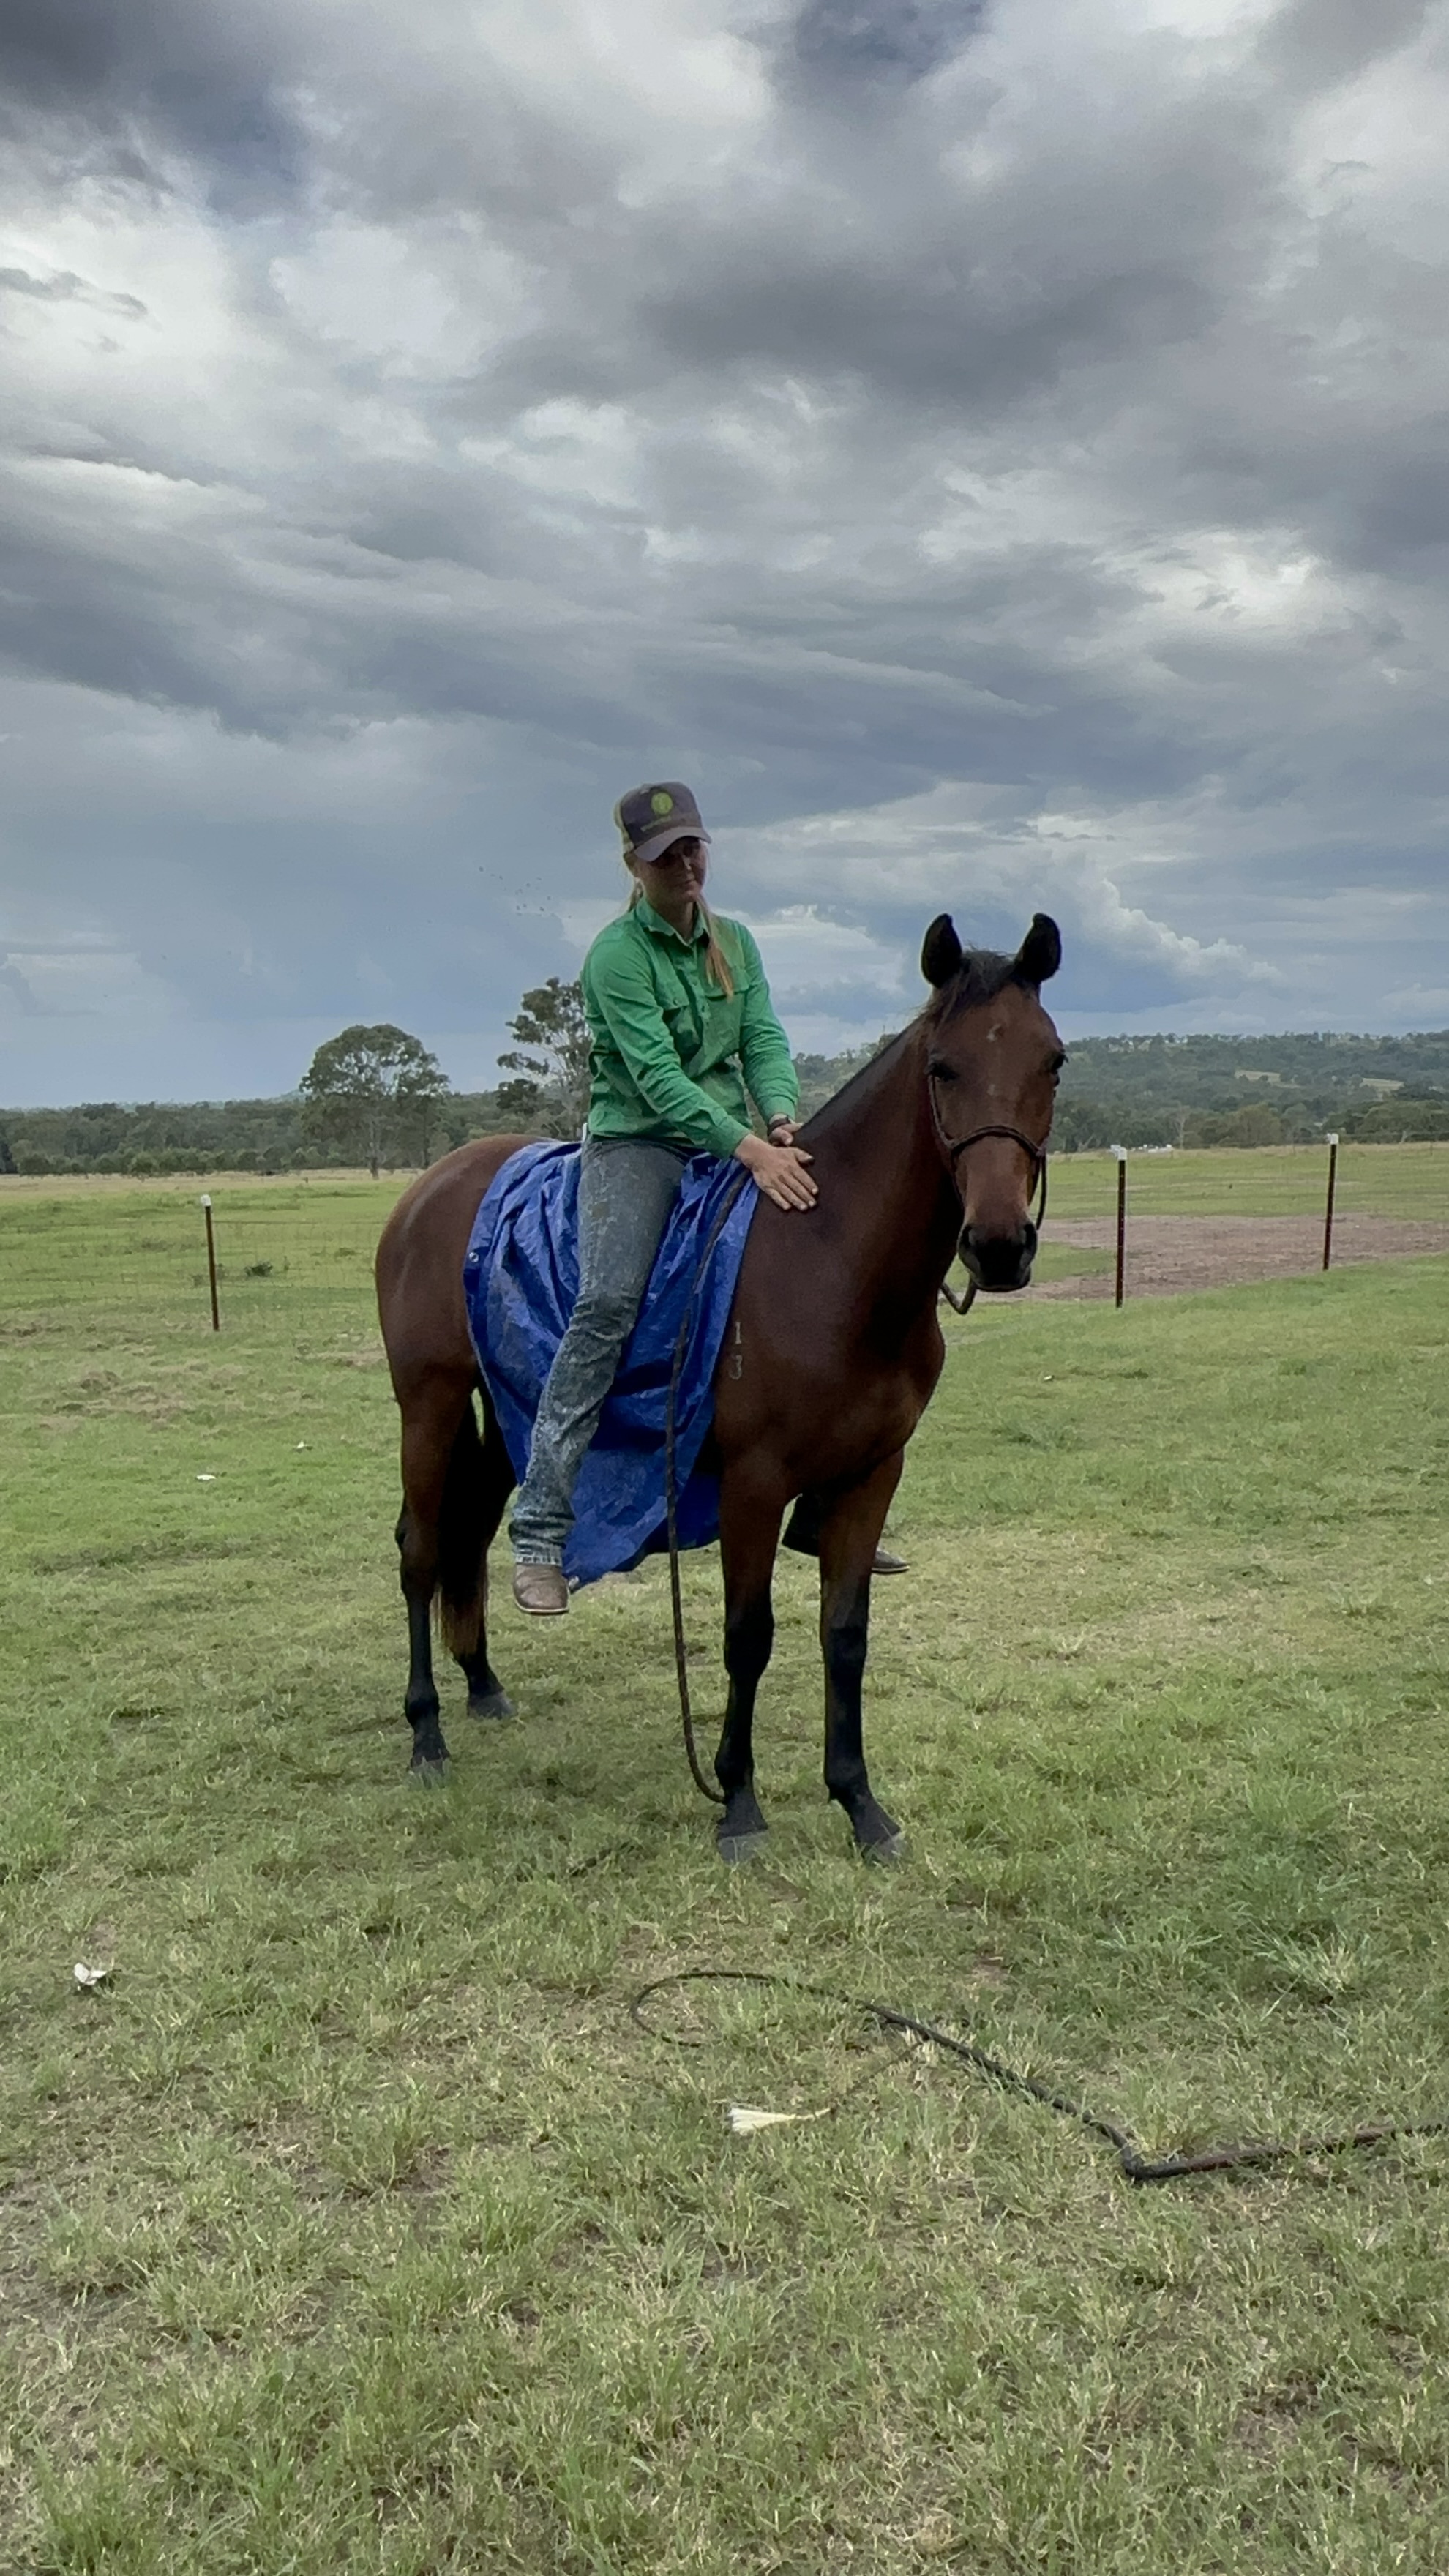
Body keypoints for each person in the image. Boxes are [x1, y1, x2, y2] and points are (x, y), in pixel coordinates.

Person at [509, 782, 817, 1614]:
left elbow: (763, 1039)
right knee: (607, 1303)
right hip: (639, 1142)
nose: (684, 865)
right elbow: (657, 1080)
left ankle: (825, 1495)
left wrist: (780, 1118)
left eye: (692, 847)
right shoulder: (616, 957)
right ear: (633, 865)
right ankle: (540, 1528)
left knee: (814, 1270)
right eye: (664, 855)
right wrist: (750, 1149)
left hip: (734, 1138)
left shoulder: (735, 941)